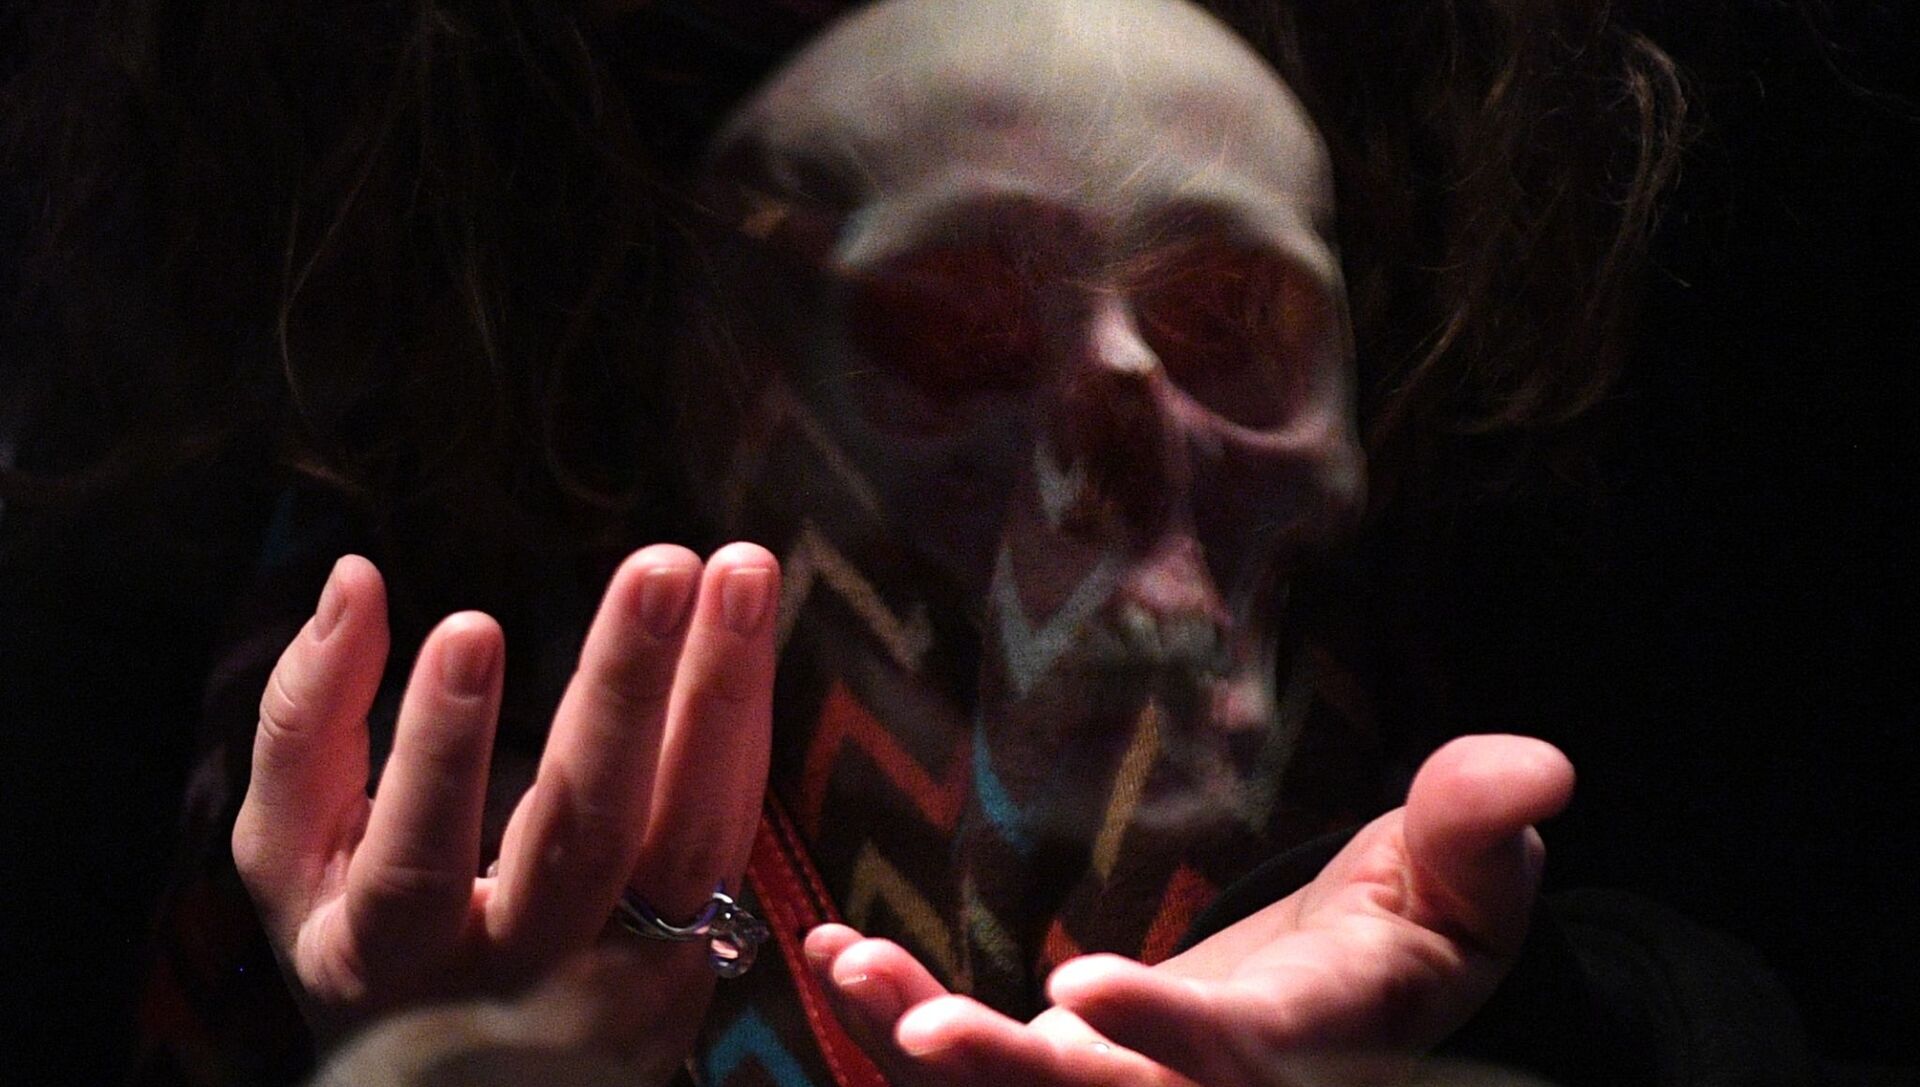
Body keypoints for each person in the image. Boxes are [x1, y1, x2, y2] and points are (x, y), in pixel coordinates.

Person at [7, 0, 1905, 1083]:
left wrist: (1524, 1016)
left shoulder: (1647, 303)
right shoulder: (251, 360)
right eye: (950, 338)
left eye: (1225, 328)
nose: (1105, 441)